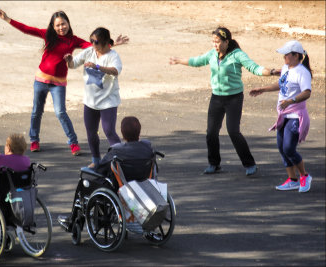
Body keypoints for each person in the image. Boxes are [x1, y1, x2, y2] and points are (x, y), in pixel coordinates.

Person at [0, 8, 128, 155]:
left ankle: (73, 143)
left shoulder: (73, 40)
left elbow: (95, 47)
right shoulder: (48, 35)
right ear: (53, 26)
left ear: (68, 24)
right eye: (57, 25)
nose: (61, 28)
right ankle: (34, 140)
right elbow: (26, 29)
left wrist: (112, 44)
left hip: (58, 84)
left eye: (63, 24)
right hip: (41, 80)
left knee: (61, 113)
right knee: (36, 112)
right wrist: (7, 19)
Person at [169, 27, 279, 176]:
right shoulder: (212, 54)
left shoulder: (237, 55)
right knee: (211, 132)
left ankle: (249, 164)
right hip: (217, 98)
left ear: (226, 41)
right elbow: (196, 61)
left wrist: (271, 72)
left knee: (233, 131)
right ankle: (214, 164)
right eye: (213, 41)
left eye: (218, 42)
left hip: (234, 98)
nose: (215, 45)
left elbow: (255, 68)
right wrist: (179, 60)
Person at [57, 116, 155, 230]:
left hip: (121, 190)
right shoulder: (148, 148)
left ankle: (73, 222)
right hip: (143, 186)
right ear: (139, 132)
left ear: (122, 134)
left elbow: (100, 169)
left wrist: (91, 168)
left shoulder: (117, 151)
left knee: (84, 179)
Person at [249, 40, 312, 192]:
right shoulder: (285, 68)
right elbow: (281, 84)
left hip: (295, 115)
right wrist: (263, 89)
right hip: (283, 115)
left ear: (296, 55)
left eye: (287, 54)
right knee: (282, 149)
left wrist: (291, 100)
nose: (284, 57)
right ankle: (292, 180)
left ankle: (305, 176)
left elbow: (307, 92)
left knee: (289, 148)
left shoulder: (303, 72)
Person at [64, 27, 124, 168]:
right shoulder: (89, 52)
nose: (92, 44)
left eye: (95, 42)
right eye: (91, 40)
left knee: (109, 131)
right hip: (90, 102)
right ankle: (96, 160)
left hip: (108, 101)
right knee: (91, 133)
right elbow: (73, 65)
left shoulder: (113, 56)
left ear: (104, 43)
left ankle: (122, 159)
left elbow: (115, 71)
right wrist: (69, 60)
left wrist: (98, 67)